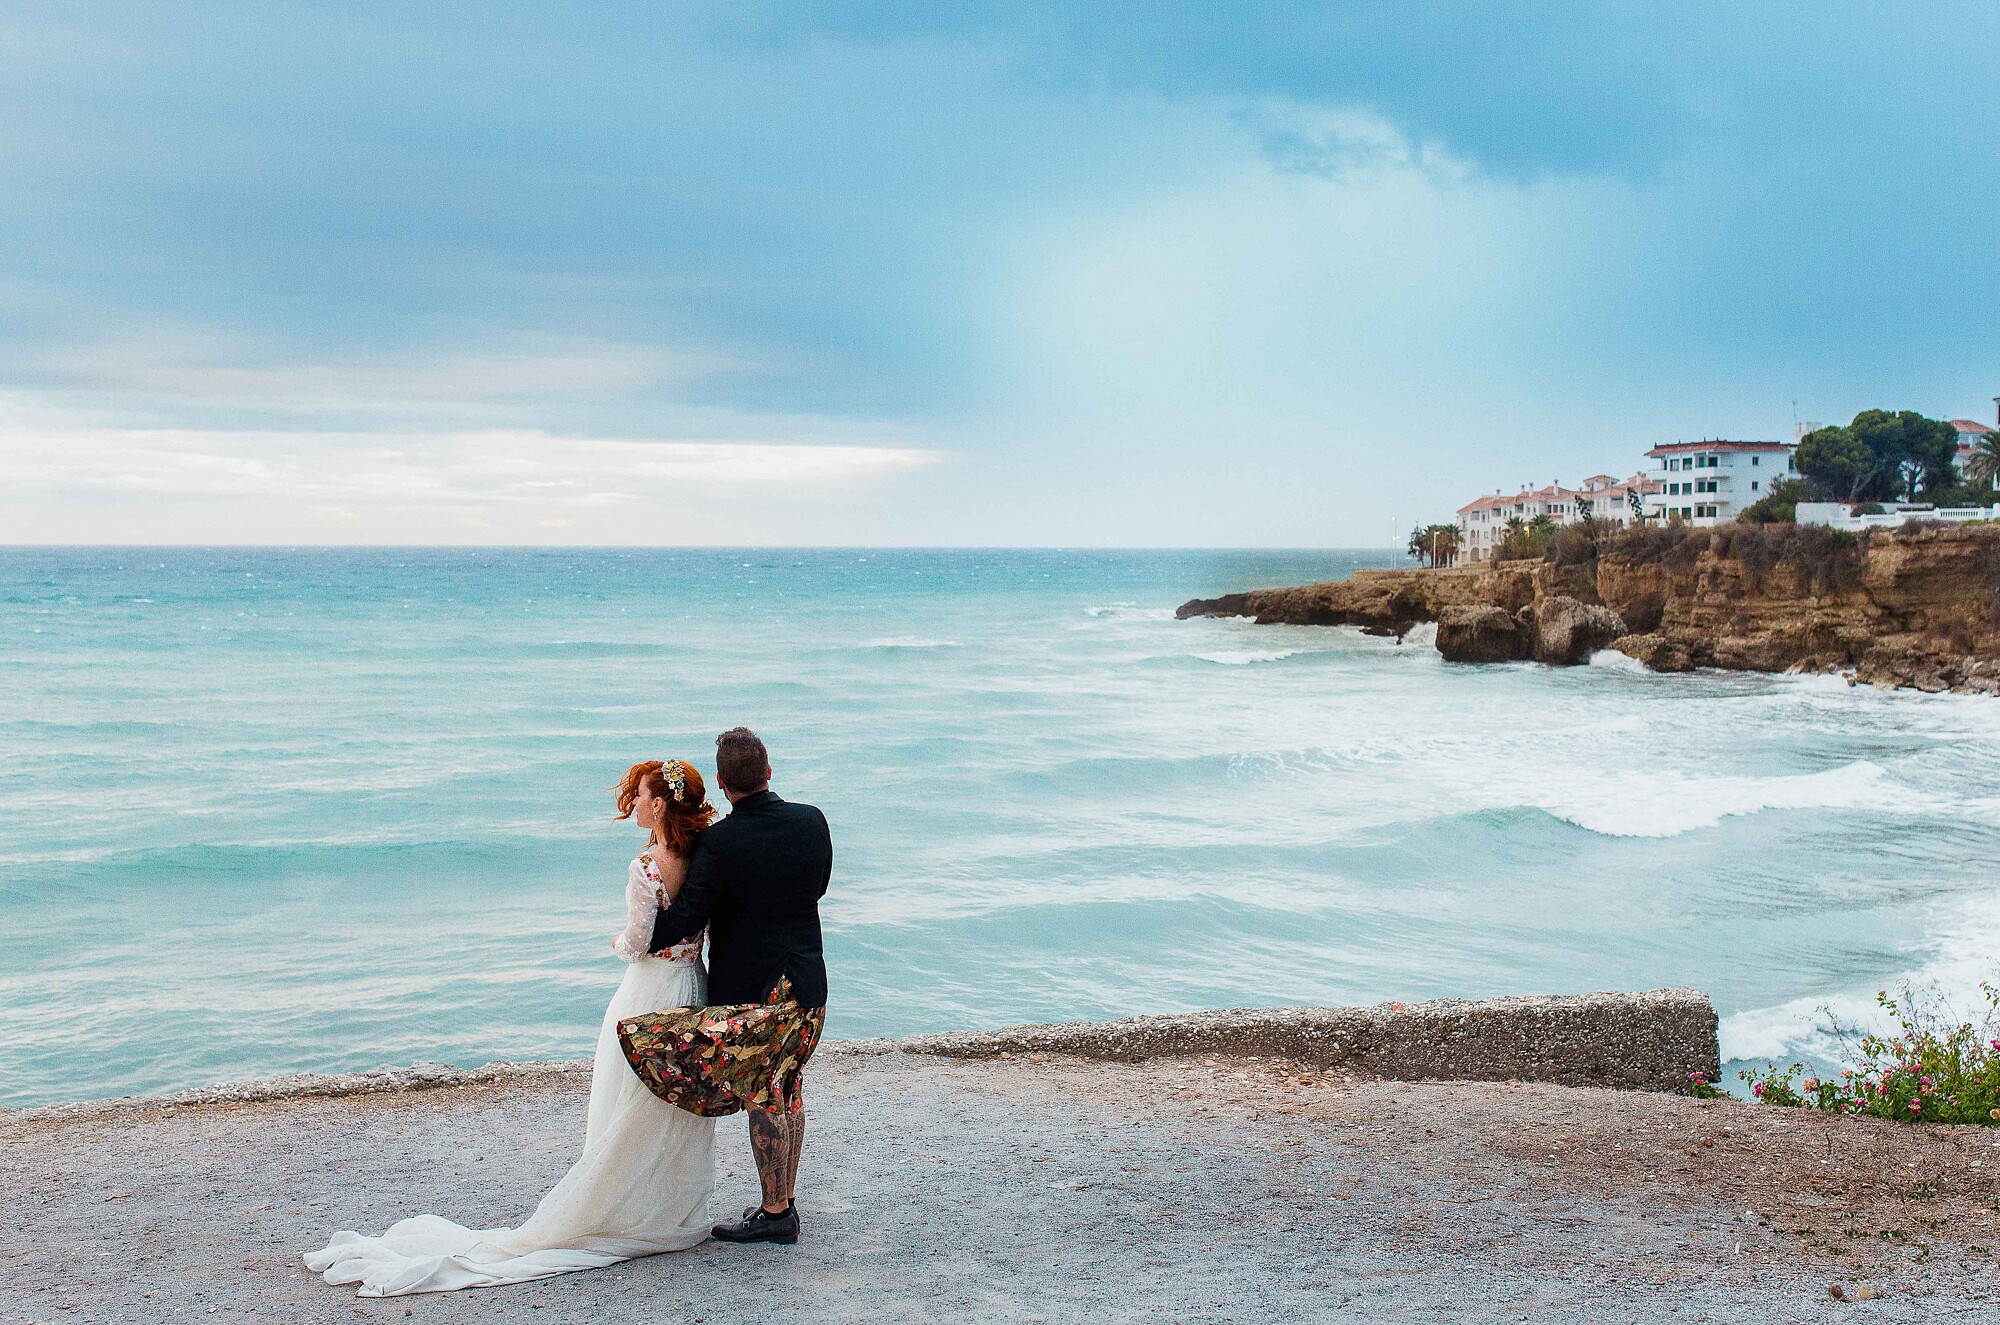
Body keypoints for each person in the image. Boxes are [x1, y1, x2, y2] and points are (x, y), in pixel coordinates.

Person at [305, 760, 719, 1296]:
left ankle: (620, 1208)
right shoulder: (706, 857)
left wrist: (614, 944)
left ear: (660, 804)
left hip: (647, 993)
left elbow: (637, 944)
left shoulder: (646, 868)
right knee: (672, 1103)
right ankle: (673, 1211)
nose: (634, 805)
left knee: (626, 1103)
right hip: (692, 988)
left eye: (640, 796)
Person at [617, 727, 831, 1246]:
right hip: (806, 984)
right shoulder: (811, 821)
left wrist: (644, 932)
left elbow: (690, 915)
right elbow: (818, 886)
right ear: (769, 772)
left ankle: (777, 1211)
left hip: (753, 993)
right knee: (786, 1086)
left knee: (762, 1091)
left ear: (721, 782)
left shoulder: (720, 842)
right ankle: (784, 1203)